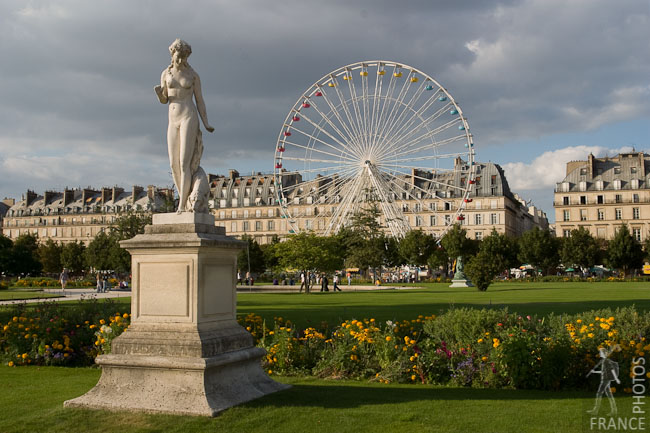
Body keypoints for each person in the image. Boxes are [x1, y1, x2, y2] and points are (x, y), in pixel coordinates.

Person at [155, 39, 214, 213]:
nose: (180, 61)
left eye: (184, 58)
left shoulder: (193, 75)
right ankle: (186, 199)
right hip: (173, 119)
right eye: (178, 57)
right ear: (172, 54)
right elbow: (165, 99)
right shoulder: (165, 74)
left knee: (184, 163)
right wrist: (159, 94)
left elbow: (200, 100)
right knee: (173, 164)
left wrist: (206, 122)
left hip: (189, 116)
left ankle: (181, 205)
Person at [587, 346, 621, 415]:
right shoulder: (604, 361)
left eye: (600, 352)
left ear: (603, 353)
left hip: (605, 380)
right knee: (609, 395)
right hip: (605, 379)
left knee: (599, 393)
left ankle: (595, 410)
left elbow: (611, 370)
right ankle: (614, 411)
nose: (599, 353)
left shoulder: (605, 361)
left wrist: (616, 379)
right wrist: (594, 372)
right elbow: (603, 372)